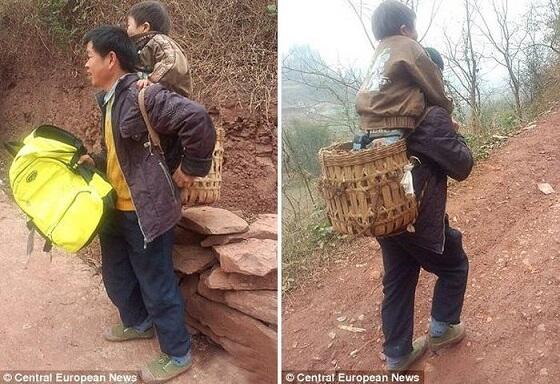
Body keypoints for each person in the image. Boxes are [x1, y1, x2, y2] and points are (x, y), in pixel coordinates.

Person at [78, 25, 216, 383]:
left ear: (111, 59)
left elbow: (197, 119)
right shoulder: (107, 101)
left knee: (156, 284)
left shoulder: (145, 95)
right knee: (118, 275)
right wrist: (95, 159)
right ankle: (137, 324)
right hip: (115, 209)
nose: (86, 65)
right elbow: (118, 152)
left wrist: (191, 169)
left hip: (146, 211)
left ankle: (178, 352)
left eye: (90, 57)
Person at [376, 84, 474, 370]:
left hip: (386, 216)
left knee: (398, 278)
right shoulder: (430, 115)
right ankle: (442, 330)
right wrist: (455, 131)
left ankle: (397, 355)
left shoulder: (384, 113)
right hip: (417, 218)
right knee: (454, 266)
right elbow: (462, 165)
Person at [356, 0, 453, 144]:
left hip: (369, 127)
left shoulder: (380, 52)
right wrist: (447, 109)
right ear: (405, 30)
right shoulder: (410, 46)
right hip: (398, 124)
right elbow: (433, 85)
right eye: (415, 28)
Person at [126, 0, 193, 97]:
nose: (127, 30)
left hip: (172, 99)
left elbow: (172, 61)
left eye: (129, 25)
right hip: (155, 98)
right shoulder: (140, 47)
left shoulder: (159, 41)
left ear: (145, 27)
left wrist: (151, 80)